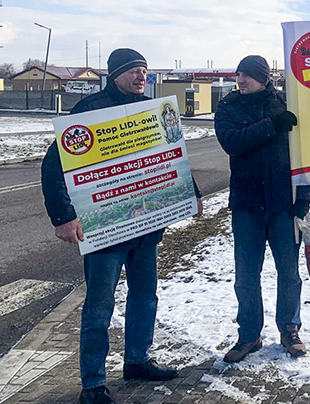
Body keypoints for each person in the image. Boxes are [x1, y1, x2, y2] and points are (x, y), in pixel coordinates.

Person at [41, 48, 203, 404]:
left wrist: (192, 194)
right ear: (115, 74)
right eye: (133, 71)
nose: (140, 76)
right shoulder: (89, 110)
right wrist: (63, 217)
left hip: (146, 227)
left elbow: (171, 156)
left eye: (144, 71)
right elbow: (54, 167)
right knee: (99, 307)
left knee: (145, 296)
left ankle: (137, 360)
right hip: (106, 232)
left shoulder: (151, 110)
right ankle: (93, 382)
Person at [215, 55, 310, 362]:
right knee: (246, 276)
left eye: (247, 75)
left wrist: (305, 199)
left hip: (284, 206)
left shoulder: (288, 103)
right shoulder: (228, 107)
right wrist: (272, 125)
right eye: (239, 74)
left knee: (289, 273)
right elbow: (233, 142)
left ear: (263, 77)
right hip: (247, 207)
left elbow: (307, 152)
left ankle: (289, 329)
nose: (241, 80)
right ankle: (249, 335)